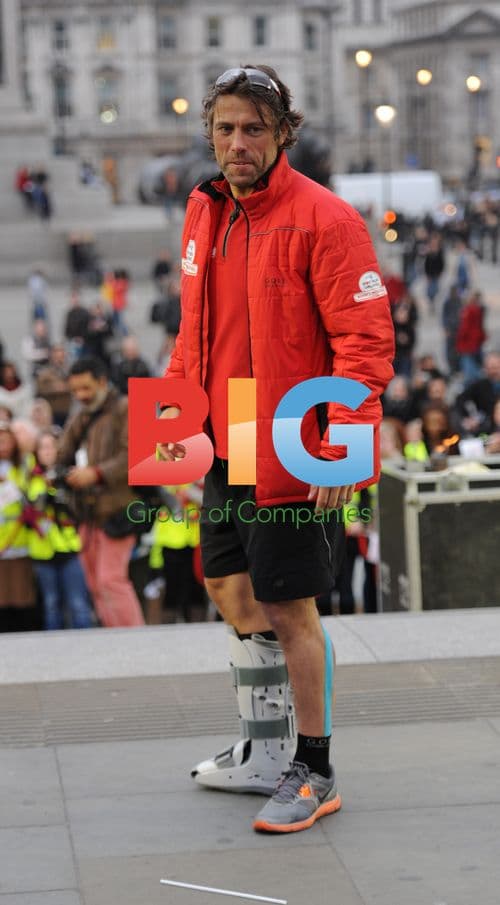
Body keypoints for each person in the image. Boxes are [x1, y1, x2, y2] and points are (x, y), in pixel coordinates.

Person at [157, 65, 394, 833]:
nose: (238, 143)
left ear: (283, 133)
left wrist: (343, 444)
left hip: (292, 434)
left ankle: (314, 769)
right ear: (210, 134)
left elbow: (364, 343)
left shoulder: (327, 217)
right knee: (229, 586)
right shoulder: (204, 209)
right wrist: (168, 437)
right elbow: (193, 330)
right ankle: (265, 750)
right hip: (225, 425)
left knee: (290, 606)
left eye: (254, 128)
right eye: (225, 128)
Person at [57, 357, 144, 627]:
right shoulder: (81, 415)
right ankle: (114, 641)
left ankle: (139, 642)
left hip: (119, 509)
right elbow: (61, 454)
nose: (80, 395)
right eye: (75, 390)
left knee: (110, 580)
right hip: (87, 512)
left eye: (86, 388)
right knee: (95, 583)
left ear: (103, 382)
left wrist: (95, 473)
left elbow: (135, 455)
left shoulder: (126, 407)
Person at [26, 430, 94, 631]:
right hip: (43, 550)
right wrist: (46, 494)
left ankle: (87, 641)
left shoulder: (70, 476)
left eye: (51, 447)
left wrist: (62, 491)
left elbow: (80, 509)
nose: (47, 452)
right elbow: (32, 511)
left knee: (77, 603)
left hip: (69, 548)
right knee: (51, 604)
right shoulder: (31, 479)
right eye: (42, 448)